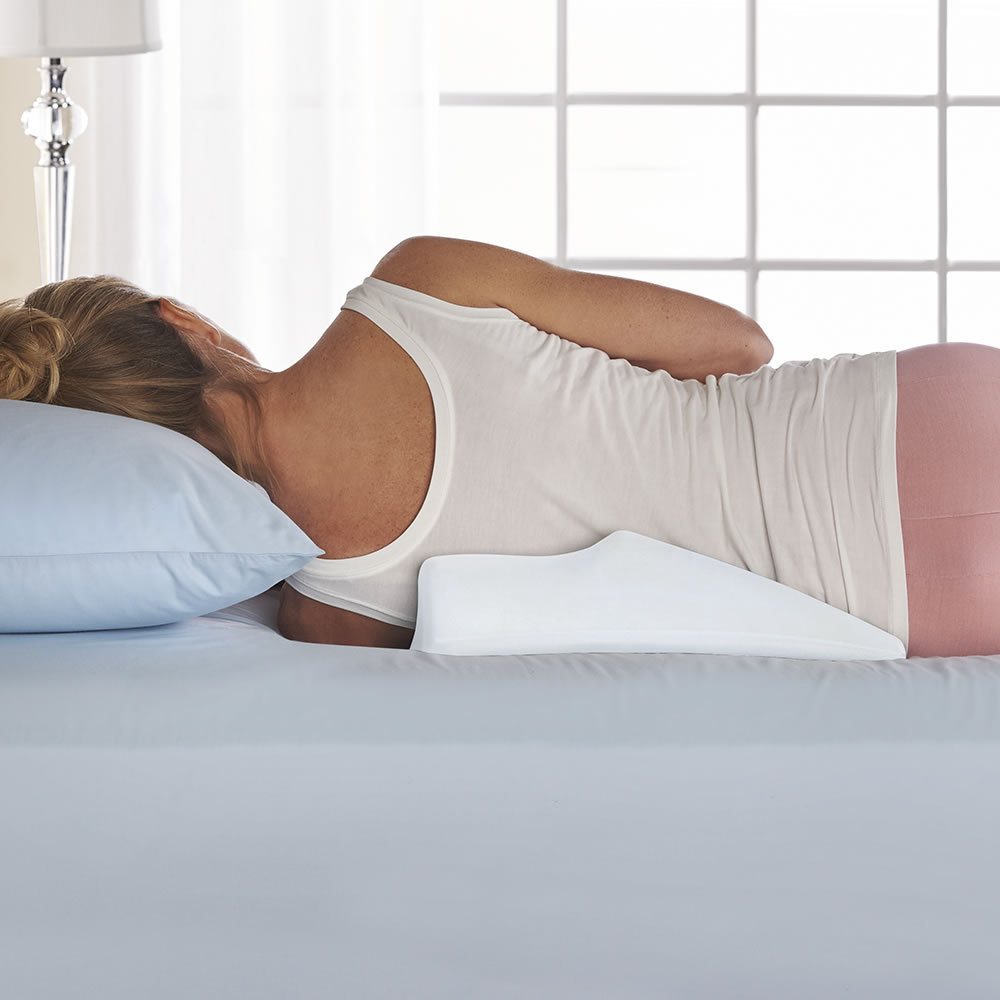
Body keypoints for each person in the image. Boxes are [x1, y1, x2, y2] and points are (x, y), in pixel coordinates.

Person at [0, 235, 996, 659]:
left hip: (906, 590)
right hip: (919, 409)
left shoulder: (327, 612)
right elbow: (737, 345)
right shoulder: (418, 283)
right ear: (182, 322)